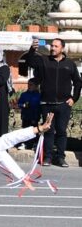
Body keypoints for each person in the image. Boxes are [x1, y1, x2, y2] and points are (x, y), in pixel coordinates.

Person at [20, 38, 81, 167]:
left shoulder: (70, 64)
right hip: (47, 104)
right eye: (52, 46)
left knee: (61, 131)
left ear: (62, 48)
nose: (53, 48)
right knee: (48, 130)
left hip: (64, 104)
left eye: (56, 46)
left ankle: (60, 157)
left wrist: (74, 98)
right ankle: (48, 157)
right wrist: (32, 50)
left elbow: (77, 81)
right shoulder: (44, 60)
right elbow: (30, 61)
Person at [16, 80, 42, 149]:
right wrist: (23, 105)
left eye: (31, 85)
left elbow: (40, 107)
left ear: (36, 86)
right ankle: (25, 144)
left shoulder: (39, 95)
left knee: (34, 130)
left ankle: (34, 144)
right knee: (25, 130)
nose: (29, 86)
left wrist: (38, 116)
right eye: (28, 84)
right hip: (25, 116)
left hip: (34, 116)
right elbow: (19, 104)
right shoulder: (24, 94)